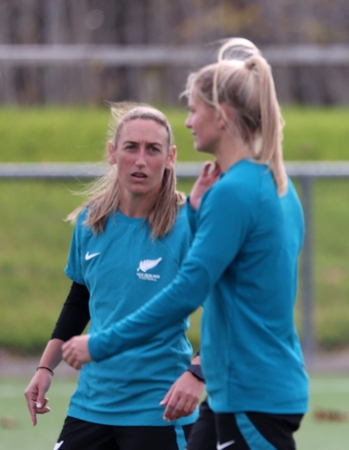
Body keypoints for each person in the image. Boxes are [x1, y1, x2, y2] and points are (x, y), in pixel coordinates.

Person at [62, 37, 308, 450]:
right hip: (240, 393)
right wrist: (195, 213)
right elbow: (232, 273)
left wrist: (100, 344)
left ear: (223, 116)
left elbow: (187, 290)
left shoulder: (236, 192)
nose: (190, 121)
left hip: (253, 392)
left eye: (194, 110)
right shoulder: (272, 186)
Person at [23, 103, 204, 450]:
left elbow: (227, 308)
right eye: (131, 147)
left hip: (159, 410)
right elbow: (80, 300)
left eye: (153, 150)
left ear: (170, 157)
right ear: (112, 153)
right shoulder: (91, 222)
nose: (140, 160)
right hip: (92, 405)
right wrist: (45, 368)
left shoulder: (188, 225)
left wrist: (197, 371)